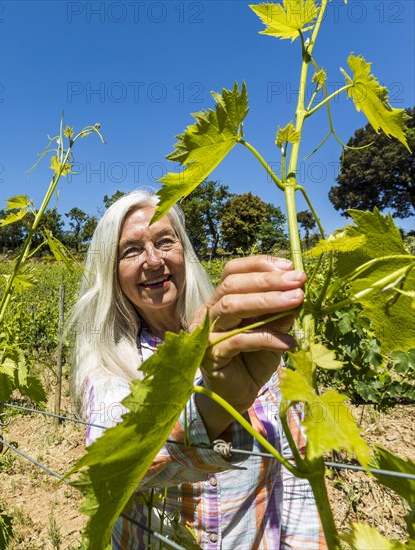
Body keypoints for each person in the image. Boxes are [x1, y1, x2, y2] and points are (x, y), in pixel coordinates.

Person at [69, 190, 326, 549]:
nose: (154, 260)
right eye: (131, 250)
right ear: (112, 272)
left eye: (165, 241)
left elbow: (298, 484)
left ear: (185, 253)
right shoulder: (108, 364)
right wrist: (215, 404)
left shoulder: (242, 342)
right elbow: (114, 468)